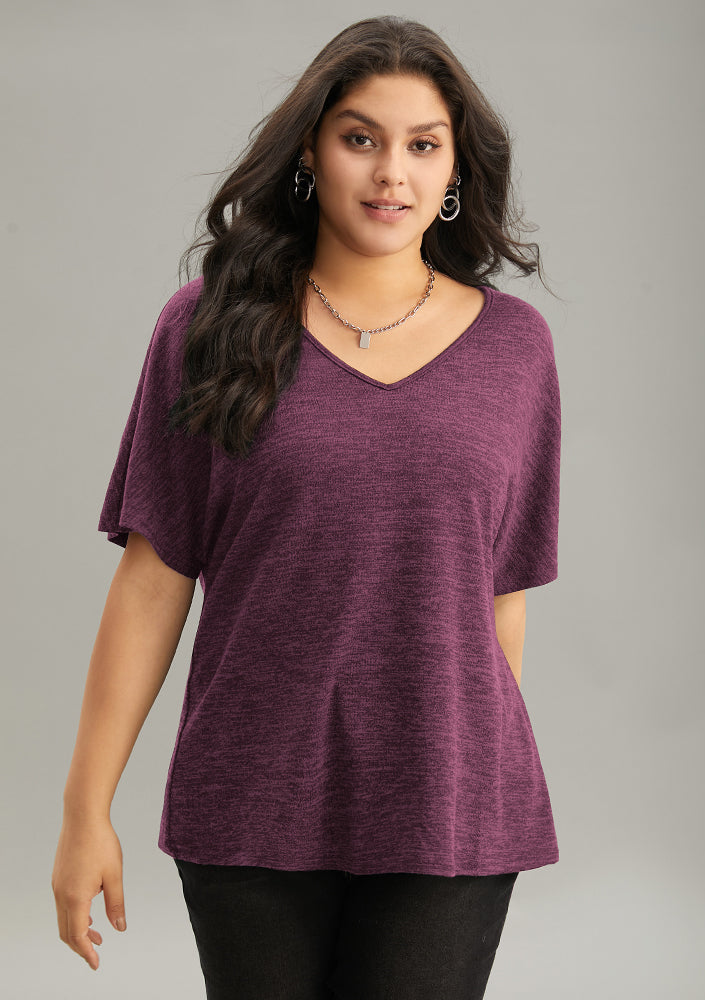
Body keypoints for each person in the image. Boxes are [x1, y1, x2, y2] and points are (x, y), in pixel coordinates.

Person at [51, 14, 562, 1000]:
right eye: (360, 138)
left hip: (448, 804)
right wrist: (85, 810)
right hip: (250, 795)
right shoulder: (208, 327)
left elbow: (503, 593)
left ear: (456, 169)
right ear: (311, 153)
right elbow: (153, 579)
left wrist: (470, 775)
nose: (391, 173)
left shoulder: (516, 350)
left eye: (423, 145)